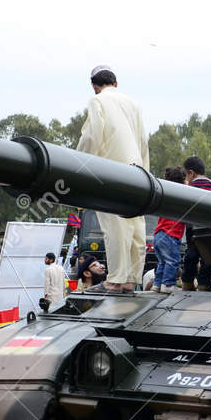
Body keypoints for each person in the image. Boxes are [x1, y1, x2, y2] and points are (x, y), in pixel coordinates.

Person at [76, 66, 150, 293]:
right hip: (137, 171)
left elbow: (91, 136)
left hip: (110, 171)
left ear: (94, 86)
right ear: (116, 83)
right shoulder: (133, 104)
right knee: (136, 226)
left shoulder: (97, 102)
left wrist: (79, 167)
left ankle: (117, 279)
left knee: (115, 226)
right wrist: (145, 172)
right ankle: (132, 278)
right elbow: (143, 140)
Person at [181, 156, 211, 292]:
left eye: (186, 175)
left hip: (192, 228)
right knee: (207, 257)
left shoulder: (189, 188)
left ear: (191, 173)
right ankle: (204, 283)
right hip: (210, 229)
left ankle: (187, 282)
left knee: (191, 255)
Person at [153, 167, 186, 293]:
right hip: (169, 235)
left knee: (163, 262)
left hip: (158, 234)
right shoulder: (180, 195)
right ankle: (168, 285)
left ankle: (157, 284)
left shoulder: (166, 193)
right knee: (173, 260)